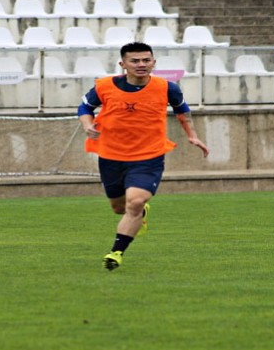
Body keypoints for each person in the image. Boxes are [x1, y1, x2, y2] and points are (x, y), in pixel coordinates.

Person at [77, 41, 209, 270]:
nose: (141, 64)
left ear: (153, 62)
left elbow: (183, 111)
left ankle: (116, 253)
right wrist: (87, 125)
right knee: (119, 208)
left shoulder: (168, 88)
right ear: (123, 64)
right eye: (135, 61)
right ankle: (140, 213)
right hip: (111, 155)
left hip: (149, 155)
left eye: (146, 60)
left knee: (135, 202)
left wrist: (193, 136)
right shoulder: (104, 86)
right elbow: (85, 108)